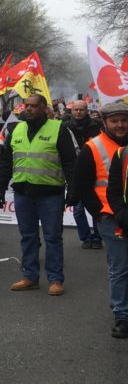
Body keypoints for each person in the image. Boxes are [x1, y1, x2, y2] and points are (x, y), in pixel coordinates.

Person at [0, 94, 78, 295]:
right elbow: (6, 162)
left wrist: (73, 190)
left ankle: (55, 279)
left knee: (52, 237)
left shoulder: (59, 129)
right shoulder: (16, 129)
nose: (29, 109)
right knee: (28, 237)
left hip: (50, 193)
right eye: (27, 105)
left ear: (44, 108)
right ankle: (30, 276)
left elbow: (70, 163)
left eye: (34, 106)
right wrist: (0, 186)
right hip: (23, 192)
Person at [76, 102, 128, 338]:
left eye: (124, 120)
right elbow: (83, 186)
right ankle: (122, 314)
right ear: (105, 122)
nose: (120, 125)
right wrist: (99, 213)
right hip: (110, 217)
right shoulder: (92, 148)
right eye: (115, 120)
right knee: (120, 267)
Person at [66, 99, 103, 248]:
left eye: (81, 109)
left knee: (96, 206)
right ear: (72, 111)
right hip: (75, 172)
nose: (78, 112)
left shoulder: (98, 126)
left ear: (87, 110)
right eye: (76, 110)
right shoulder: (66, 127)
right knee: (78, 209)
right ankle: (86, 237)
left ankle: (97, 237)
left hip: (95, 171)